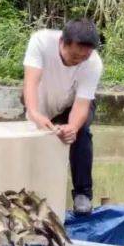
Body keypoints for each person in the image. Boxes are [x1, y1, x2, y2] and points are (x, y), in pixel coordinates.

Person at [22, 18, 103, 215]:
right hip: (41, 101)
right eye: (74, 55)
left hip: (71, 104)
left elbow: (82, 103)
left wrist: (72, 128)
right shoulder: (40, 42)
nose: (78, 60)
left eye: (84, 56)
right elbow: (30, 82)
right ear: (62, 42)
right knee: (33, 145)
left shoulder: (93, 63)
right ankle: (31, 196)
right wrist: (34, 113)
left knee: (81, 133)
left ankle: (82, 194)